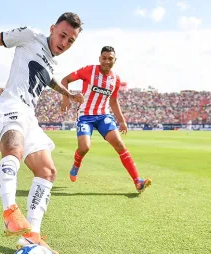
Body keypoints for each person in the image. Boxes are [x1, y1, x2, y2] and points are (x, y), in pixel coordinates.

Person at [0, 12, 84, 254]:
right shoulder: (30, 35)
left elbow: (47, 79)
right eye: (63, 35)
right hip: (10, 105)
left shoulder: (51, 62)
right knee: (13, 148)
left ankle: (32, 236)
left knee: (47, 171)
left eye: (71, 41)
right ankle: (9, 212)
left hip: (29, 115)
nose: (65, 43)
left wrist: (65, 92)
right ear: (52, 28)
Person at [60, 46, 151, 193]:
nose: (107, 61)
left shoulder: (115, 79)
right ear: (99, 59)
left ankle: (137, 182)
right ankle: (77, 163)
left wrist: (121, 120)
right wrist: (66, 98)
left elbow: (113, 101)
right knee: (84, 148)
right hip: (85, 116)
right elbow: (65, 80)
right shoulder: (89, 70)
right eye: (104, 58)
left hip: (104, 116)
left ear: (115, 60)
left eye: (110, 58)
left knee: (120, 145)